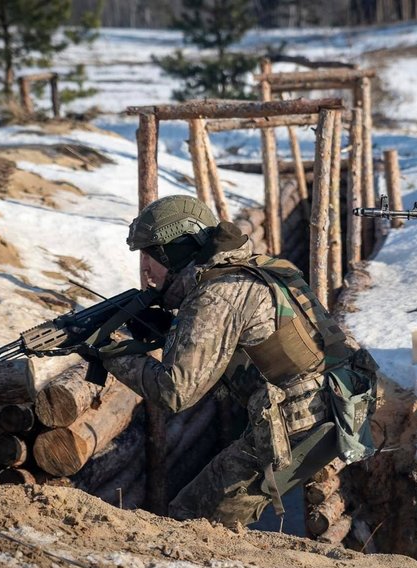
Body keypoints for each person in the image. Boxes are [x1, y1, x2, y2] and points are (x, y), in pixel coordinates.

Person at [91, 194, 378, 528]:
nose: (144, 267)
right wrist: (172, 329)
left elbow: (174, 391)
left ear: (179, 250)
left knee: (194, 519)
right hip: (341, 402)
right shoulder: (250, 269)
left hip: (304, 421)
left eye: (152, 254)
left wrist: (111, 352)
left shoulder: (216, 294)